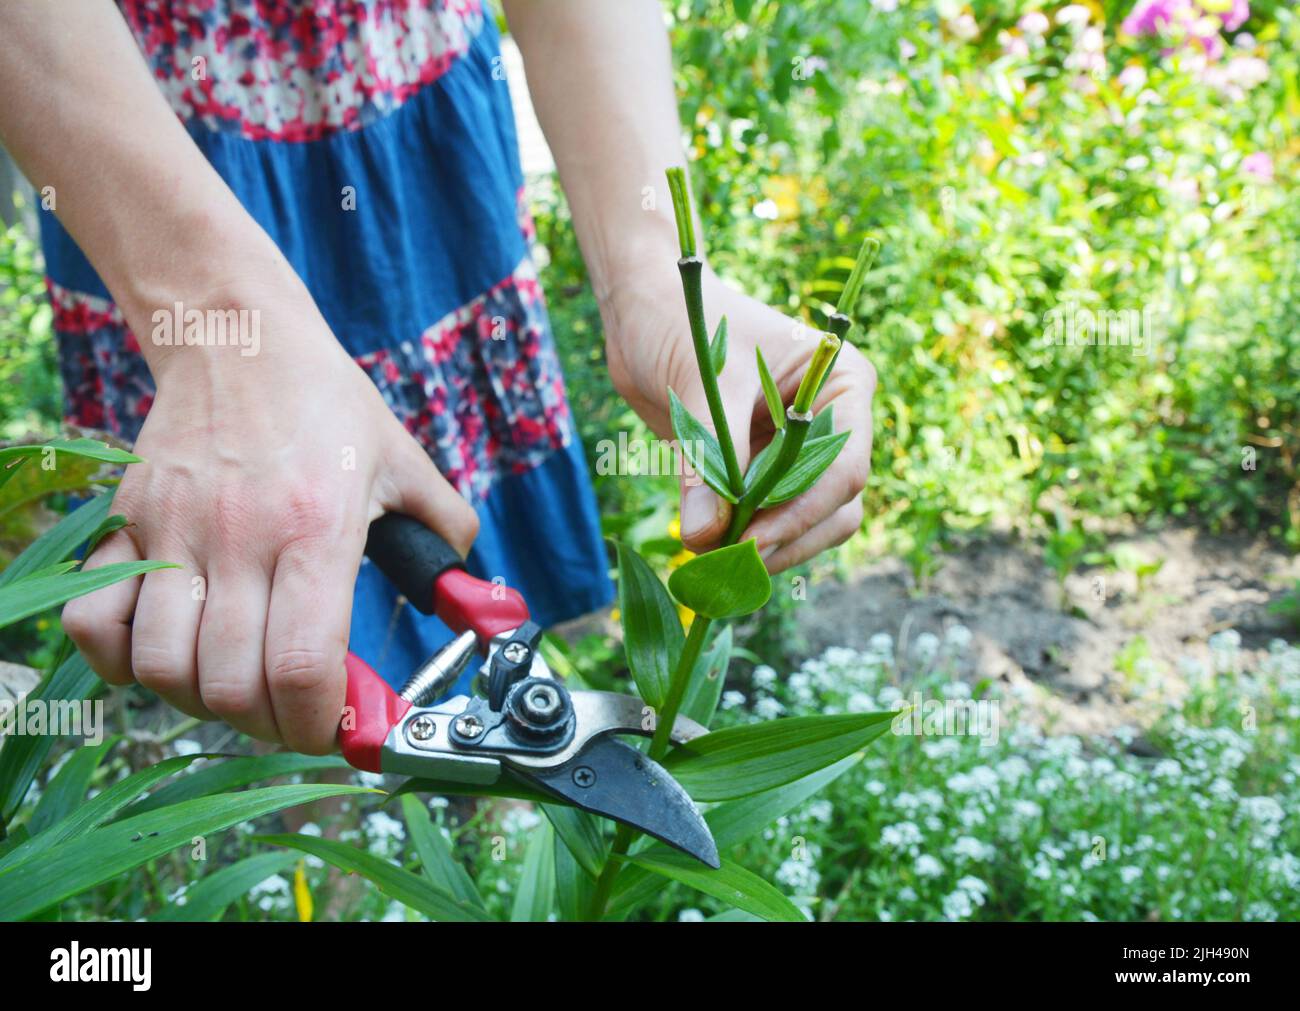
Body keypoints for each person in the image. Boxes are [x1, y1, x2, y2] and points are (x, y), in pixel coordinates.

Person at [0, 0, 875, 756]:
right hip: (138, 157)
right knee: (258, 644)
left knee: (466, 640)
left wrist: (649, 273)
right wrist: (218, 328)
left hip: (414, 142)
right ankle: (316, 858)